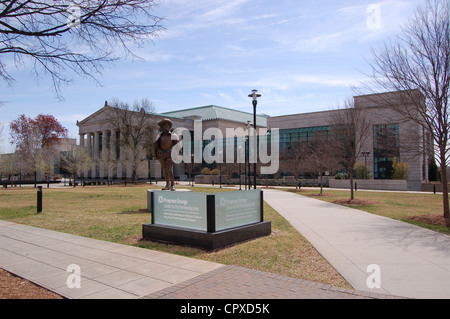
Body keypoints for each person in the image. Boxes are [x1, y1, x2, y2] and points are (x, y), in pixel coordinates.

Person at [153, 119, 178, 191]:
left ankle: (173, 185)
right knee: (165, 170)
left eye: (167, 125)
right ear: (162, 127)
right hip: (162, 154)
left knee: (169, 169)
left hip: (170, 155)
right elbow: (156, 145)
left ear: (169, 127)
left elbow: (178, 146)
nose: (166, 127)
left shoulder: (173, 135)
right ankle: (167, 184)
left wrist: (172, 150)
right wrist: (158, 152)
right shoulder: (159, 136)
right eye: (164, 126)